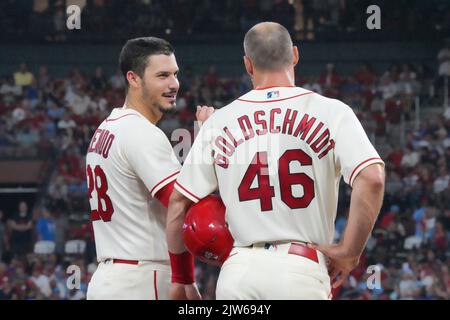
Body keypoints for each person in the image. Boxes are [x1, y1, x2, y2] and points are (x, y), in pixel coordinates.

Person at [167, 22, 385, 300]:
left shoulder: (218, 122)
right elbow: (372, 178)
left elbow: (177, 204)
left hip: (239, 272)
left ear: (248, 65)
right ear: (294, 55)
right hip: (300, 269)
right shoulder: (332, 111)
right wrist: (350, 253)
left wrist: (181, 279)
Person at [86, 37, 211, 300]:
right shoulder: (140, 132)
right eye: (162, 75)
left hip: (109, 280)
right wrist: (205, 143)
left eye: (175, 74)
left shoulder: (105, 129)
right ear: (133, 78)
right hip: (143, 279)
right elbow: (183, 205)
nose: (174, 84)